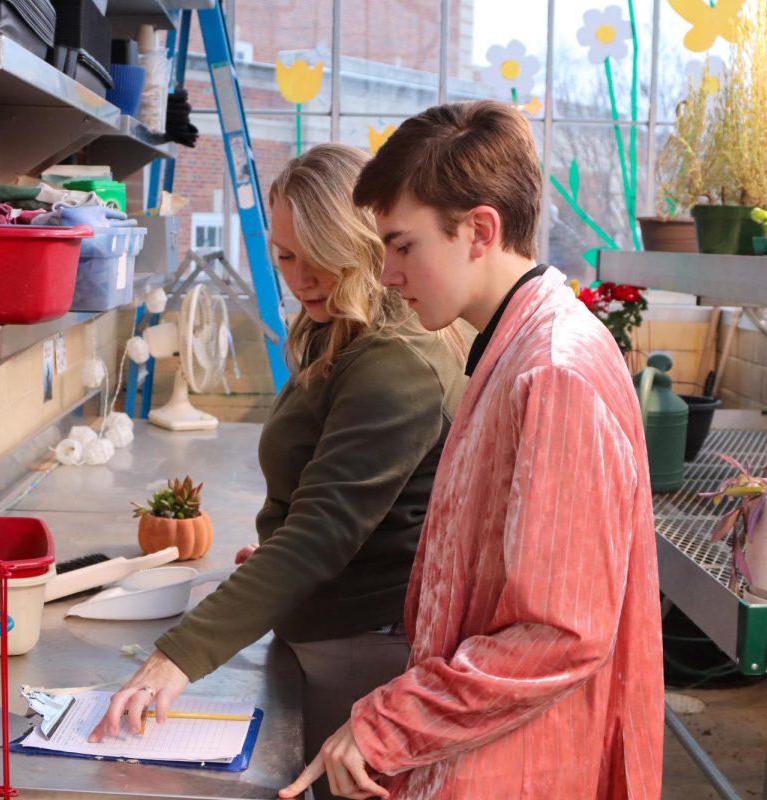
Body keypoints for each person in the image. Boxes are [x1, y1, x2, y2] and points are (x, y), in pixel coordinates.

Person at [280, 101, 664, 800]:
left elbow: (559, 629)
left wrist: (387, 724)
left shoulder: (554, 370)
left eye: (403, 247)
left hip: (530, 764)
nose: (388, 274)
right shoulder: (514, 345)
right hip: (489, 747)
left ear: (480, 231)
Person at [89, 144, 467, 798]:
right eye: (285, 256)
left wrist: (176, 657)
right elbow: (329, 502)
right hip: (322, 623)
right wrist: (276, 550)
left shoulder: (396, 364)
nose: (301, 277)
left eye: (320, 253)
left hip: (358, 643)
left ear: (366, 242)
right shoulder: (339, 331)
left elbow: (322, 535)